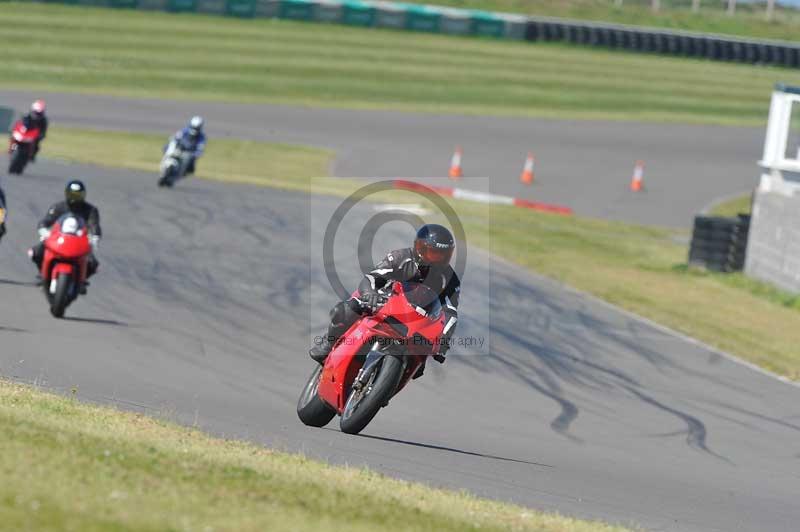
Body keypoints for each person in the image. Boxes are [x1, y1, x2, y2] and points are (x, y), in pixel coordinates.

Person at [309, 224, 460, 377]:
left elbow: (451, 312)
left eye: (443, 255)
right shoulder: (400, 257)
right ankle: (329, 343)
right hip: (386, 302)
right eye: (433, 254)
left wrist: (443, 341)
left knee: (418, 367)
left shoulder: (450, 279)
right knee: (348, 308)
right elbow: (372, 277)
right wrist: (369, 294)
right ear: (420, 248)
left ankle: (384, 392)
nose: (437, 259)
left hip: (418, 321)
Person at [29, 180, 102, 293]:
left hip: (79, 241)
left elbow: (94, 225)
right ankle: (42, 274)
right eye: (72, 195)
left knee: (93, 264)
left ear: (83, 195)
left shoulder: (90, 210)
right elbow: (46, 220)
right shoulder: (58, 207)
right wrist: (43, 229)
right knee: (36, 252)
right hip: (58, 239)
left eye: (77, 195)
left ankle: (81, 281)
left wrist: (95, 236)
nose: (74, 198)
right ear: (66, 194)